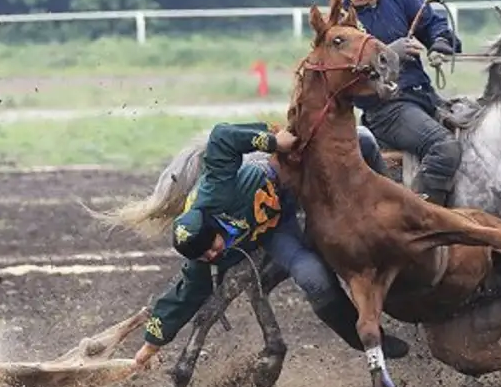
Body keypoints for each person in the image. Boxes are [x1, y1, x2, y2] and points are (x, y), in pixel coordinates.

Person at [133, 122, 409, 368]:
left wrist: (274, 142)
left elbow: (221, 137)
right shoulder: (204, 254)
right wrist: (150, 345)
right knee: (313, 279)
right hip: (276, 226)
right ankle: (366, 340)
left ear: (212, 222)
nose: (212, 254)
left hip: (285, 172)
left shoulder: (217, 189)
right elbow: (182, 296)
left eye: (210, 247)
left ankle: (398, 204)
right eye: (204, 256)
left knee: (364, 139)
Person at [331, 0, 464, 207]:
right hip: (385, 110)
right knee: (444, 147)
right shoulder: (339, 22)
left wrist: (441, 42)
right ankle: (424, 216)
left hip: (423, 97)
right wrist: (391, 53)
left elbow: (433, 23)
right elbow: (343, 74)